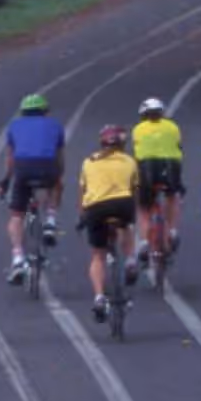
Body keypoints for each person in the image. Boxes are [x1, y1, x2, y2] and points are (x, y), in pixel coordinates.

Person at [0, 90, 65, 283]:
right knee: (56, 183)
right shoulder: (55, 126)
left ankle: (18, 257)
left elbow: (10, 159)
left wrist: (5, 181)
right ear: (45, 111)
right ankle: (50, 221)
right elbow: (60, 158)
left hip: (23, 168)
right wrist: (59, 176)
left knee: (16, 215)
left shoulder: (14, 126)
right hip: (47, 166)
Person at [75, 124, 140, 320]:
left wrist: (83, 216)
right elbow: (134, 189)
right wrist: (131, 212)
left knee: (98, 255)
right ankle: (130, 260)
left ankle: (99, 297)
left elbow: (83, 192)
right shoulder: (130, 161)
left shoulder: (88, 162)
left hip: (96, 208)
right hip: (122, 205)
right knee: (126, 226)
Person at [131, 95, 185, 260]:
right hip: (171, 166)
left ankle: (144, 242)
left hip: (147, 167)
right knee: (172, 196)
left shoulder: (138, 129)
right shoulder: (173, 127)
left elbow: (137, 152)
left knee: (143, 206)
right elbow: (178, 147)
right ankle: (173, 230)